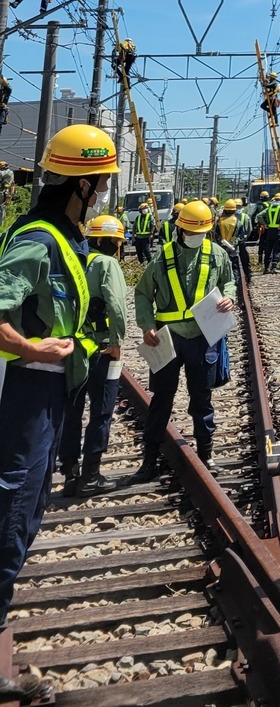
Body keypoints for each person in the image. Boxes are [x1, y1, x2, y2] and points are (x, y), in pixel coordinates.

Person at [0, 122, 118, 700]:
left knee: (29, 499)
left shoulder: (65, 238)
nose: (102, 194)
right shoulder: (39, 239)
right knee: (14, 504)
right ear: (82, 185)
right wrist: (29, 347)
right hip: (28, 390)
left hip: (51, 391)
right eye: (100, 184)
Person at [133, 200, 236, 477]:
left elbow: (229, 281)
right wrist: (146, 325)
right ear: (180, 230)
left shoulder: (216, 254)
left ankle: (206, 455)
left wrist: (229, 298)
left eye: (202, 232)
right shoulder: (162, 256)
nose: (197, 237)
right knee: (161, 398)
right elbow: (143, 293)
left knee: (201, 397)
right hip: (167, 339)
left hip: (203, 337)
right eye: (193, 232)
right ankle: (150, 460)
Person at [60, 212, 128, 498]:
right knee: (101, 412)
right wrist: (117, 342)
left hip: (74, 348)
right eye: (115, 241)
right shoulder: (107, 263)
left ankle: (70, 474)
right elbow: (116, 305)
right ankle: (91, 475)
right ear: (104, 240)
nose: (117, 246)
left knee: (72, 411)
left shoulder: (75, 259)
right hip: (101, 348)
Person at [256, 194, 280, 272]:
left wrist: (265, 224)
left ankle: (266, 268)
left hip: (269, 231)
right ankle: (274, 267)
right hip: (278, 231)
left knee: (268, 249)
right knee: (277, 248)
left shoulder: (269, 207)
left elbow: (259, 215)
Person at [132, 197, 158, 264]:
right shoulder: (138, 217)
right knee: (139, 251)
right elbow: (134, 227)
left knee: (146, 250)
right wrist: (133, 236)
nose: (144, 210)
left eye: (145, 209)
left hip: (146, 237)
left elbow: (153, 225)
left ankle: (150, 262)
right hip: (138, 237)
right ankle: (142, 263)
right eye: (143, 209)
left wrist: (151, 234)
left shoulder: (150, 217)